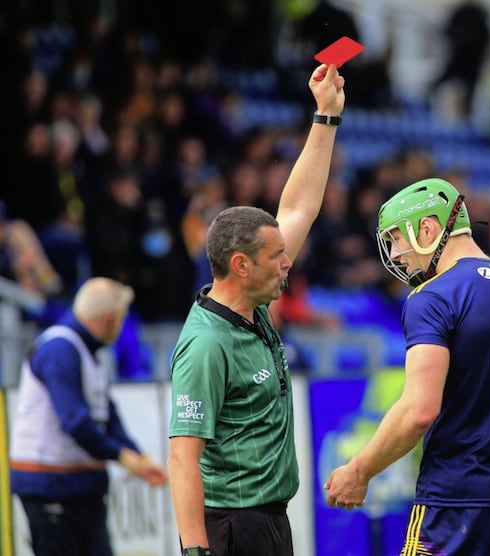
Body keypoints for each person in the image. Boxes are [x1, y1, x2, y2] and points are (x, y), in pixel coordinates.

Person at [324, 178, 490, 555]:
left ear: (427, 228)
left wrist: (359, 471)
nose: (395, 255)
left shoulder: (434, 296)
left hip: (457, 499)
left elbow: (419, 410)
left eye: (395, 239)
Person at [167, 61, 345, 556]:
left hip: (267, 522)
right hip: (231, 530)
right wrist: (196, 551)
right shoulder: (206, 344)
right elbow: (183, 458)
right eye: (277, 257)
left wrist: (325, 117)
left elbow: (299, 207)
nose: (289, 263)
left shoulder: (254, 309)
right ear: (242, 265)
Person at [10, 277, 168, 556]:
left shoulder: (82, 350)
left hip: (74, 487)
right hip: (53, 487)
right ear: (110, 318)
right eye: (122, 319)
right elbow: (76, 421)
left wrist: (137, 457)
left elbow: (106, 414)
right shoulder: (61, 350)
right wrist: (124, 457)